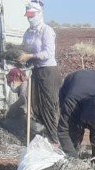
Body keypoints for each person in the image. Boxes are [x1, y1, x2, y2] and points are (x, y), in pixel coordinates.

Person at [18, 1, 61, 142]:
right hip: (35, 71)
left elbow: (48, 53)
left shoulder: (47, 30)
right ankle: (42, 136)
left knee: (49, 105)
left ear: (39, 14)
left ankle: (55, 139)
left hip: (48, 71)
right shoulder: (28, 33)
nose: (30, 18)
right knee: (36, 105)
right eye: (28, 15)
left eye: (32, 15)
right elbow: (25, 49)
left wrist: (30, 56)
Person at [57, 69, 95, 160]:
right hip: (73, 82)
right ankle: (74, 155)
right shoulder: (71, 102)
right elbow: (63, 131)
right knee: (74, 133)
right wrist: (74, 158)